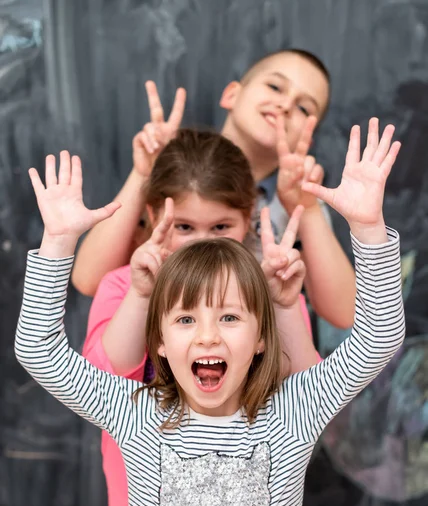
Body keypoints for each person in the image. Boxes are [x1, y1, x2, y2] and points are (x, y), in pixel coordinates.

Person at [16, 118, 405, 506]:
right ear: (157, 341)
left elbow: (378, 337)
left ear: (262, 338)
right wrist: (58, 241)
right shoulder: (132, 412)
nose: (207, 335)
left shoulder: (297, 407)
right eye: (185, 318)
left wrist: (369, 227)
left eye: (229, 316)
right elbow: (37, 350)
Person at [82, 127, 318, 506]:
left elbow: (309, 387)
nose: (203, 241)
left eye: (221, 226)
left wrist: (282, 306)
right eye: (184, 227)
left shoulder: (272, 292)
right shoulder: (123, 285)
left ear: (249, 218)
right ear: (153, 216)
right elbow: (102, 378)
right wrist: (140, 294)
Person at [71, 51, 356, 329]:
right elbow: (88, 279)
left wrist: (304, 208)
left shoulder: (301, 203)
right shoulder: (176, 170)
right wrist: (144, 172)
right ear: (232, 94)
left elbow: (344, 314)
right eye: (274, 86)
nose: (285, 105)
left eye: (304, 108)